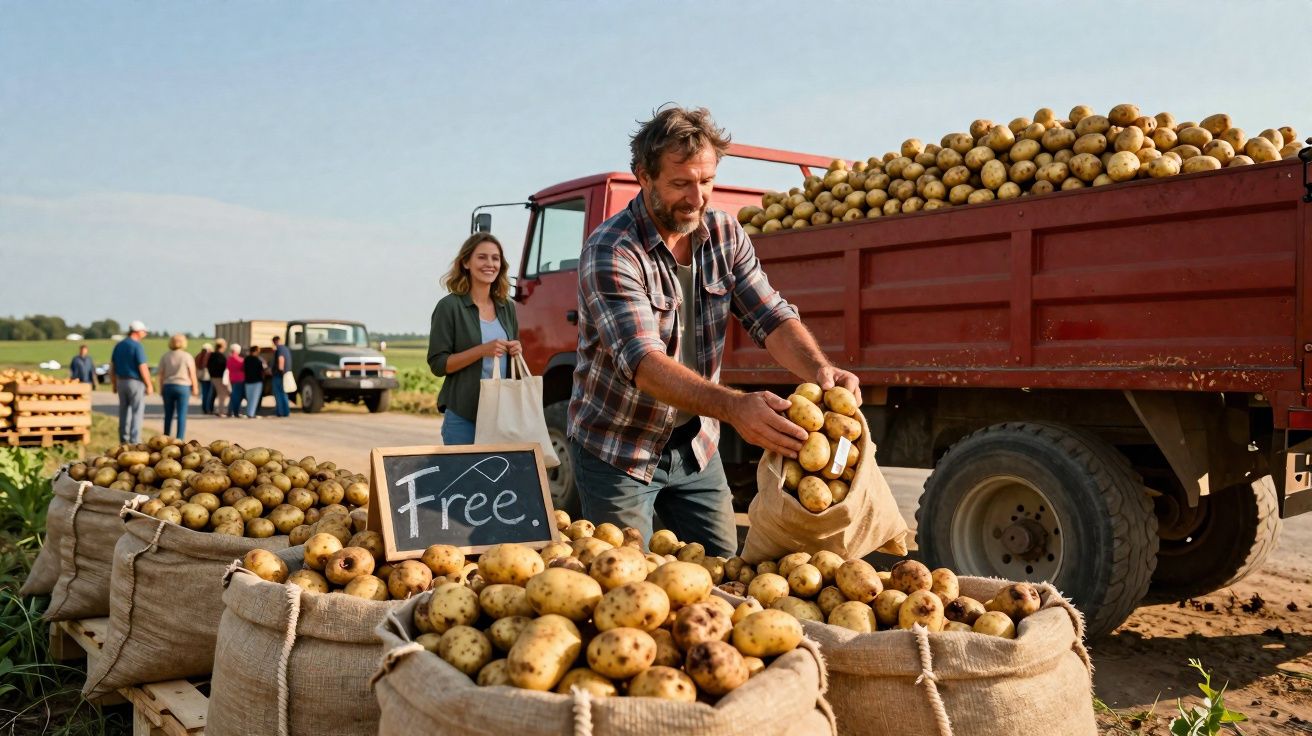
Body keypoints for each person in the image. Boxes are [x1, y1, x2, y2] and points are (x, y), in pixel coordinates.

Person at [568, 106, 862, 558]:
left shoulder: (724, 233)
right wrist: (735, 407)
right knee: (624, 586)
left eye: (706, 181)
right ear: (643, 177)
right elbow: (643, 364)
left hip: (697, 449)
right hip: (619, 450)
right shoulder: (612, 251)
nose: (698, 197)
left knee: (728, 571)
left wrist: (821, 371)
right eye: (681, 183)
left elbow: (771, 316)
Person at [427, 232, 520, 446]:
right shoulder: (449, 307)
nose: (490, 264)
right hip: (463, 416)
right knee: (463, 479)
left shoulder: (508, 308)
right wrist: (481, 350)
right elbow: (438, 364)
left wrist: (515, 350)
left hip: (501, 417)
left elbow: (509, 359)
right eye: (482, 257)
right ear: (466, 262)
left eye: (495, 258)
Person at [110, 320, 154, 443]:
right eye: (144, 331)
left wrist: (114, 383)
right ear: (137, 332)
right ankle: (135, 441)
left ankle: (123, 440)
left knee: (124, 411)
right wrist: (149, 384)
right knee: (137, 411)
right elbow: (142, 367)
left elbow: (112, 366)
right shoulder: (137, 345)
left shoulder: (119, 345)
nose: (145, 334)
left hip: (121, 382)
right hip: (135, 382)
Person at [158, 333, 199, 439]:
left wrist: (161, 388)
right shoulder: (187, 356)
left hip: (168, 386)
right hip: (183, 387)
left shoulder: (165, 356)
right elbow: (192, 373)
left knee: (168, 414)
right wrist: (195, 387)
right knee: (181, 414)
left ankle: (165, 437)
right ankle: (180, 439)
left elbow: (161, 374)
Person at [270, 335, 293, 417]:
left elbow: (281, 359)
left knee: (278, 394)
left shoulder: (279, 349)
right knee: (284, 393)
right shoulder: (286, 349)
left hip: (279, 375)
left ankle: (280, 412)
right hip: (285, 374)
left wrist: (280, 370)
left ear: (274, 341)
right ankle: (286, 412)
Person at [243, 346, 267, 419]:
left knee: (249, 398)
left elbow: (244, 369)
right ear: (256, 351)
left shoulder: (246, 359)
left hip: (248, 381)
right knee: (254, 398)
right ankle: (251, 414)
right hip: (257, 381)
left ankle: (248, 412)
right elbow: (263, 370)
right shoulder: (258, 360)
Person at [208, 338, 229, 416]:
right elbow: (223, 367)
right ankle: (221, 411)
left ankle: (213, 409)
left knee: (215, 394)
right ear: (222, 346)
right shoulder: (220, 356)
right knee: (222, 394)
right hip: (219, 377)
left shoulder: (212, 355)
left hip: (213, 377)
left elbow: (208, 365)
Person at [227, 343, 246, 417]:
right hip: (240, 379)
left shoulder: (229, 359)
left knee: (233, 396)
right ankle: (235, 412)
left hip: (232, 378)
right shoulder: (239, 360)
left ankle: (230, 411)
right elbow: (244, 367)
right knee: (237, 397)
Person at [196, 342, 214, 414]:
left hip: (201, 376)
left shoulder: (198, 355)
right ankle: (207, 408)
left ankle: (204, 408)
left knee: (204, 393)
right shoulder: (208, 355)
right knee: (208, 393)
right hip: (208, 376)